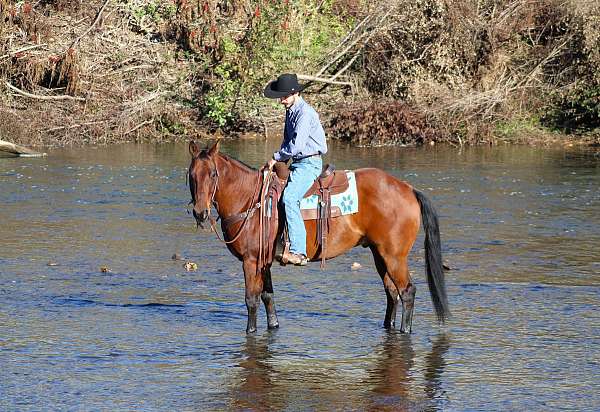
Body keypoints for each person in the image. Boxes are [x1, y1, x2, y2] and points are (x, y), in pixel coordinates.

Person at [263, 73, 327, 266]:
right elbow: (286, 141)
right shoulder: (291, 111)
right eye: (280, 96)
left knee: (290, 198)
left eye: (284, 96)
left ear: (295, 94)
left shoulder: (305, 113)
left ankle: (299, 251)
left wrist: (276, 157)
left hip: (309, 163)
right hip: (297, 162)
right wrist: (275, 163)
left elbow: (297, 145)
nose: (281, 100)